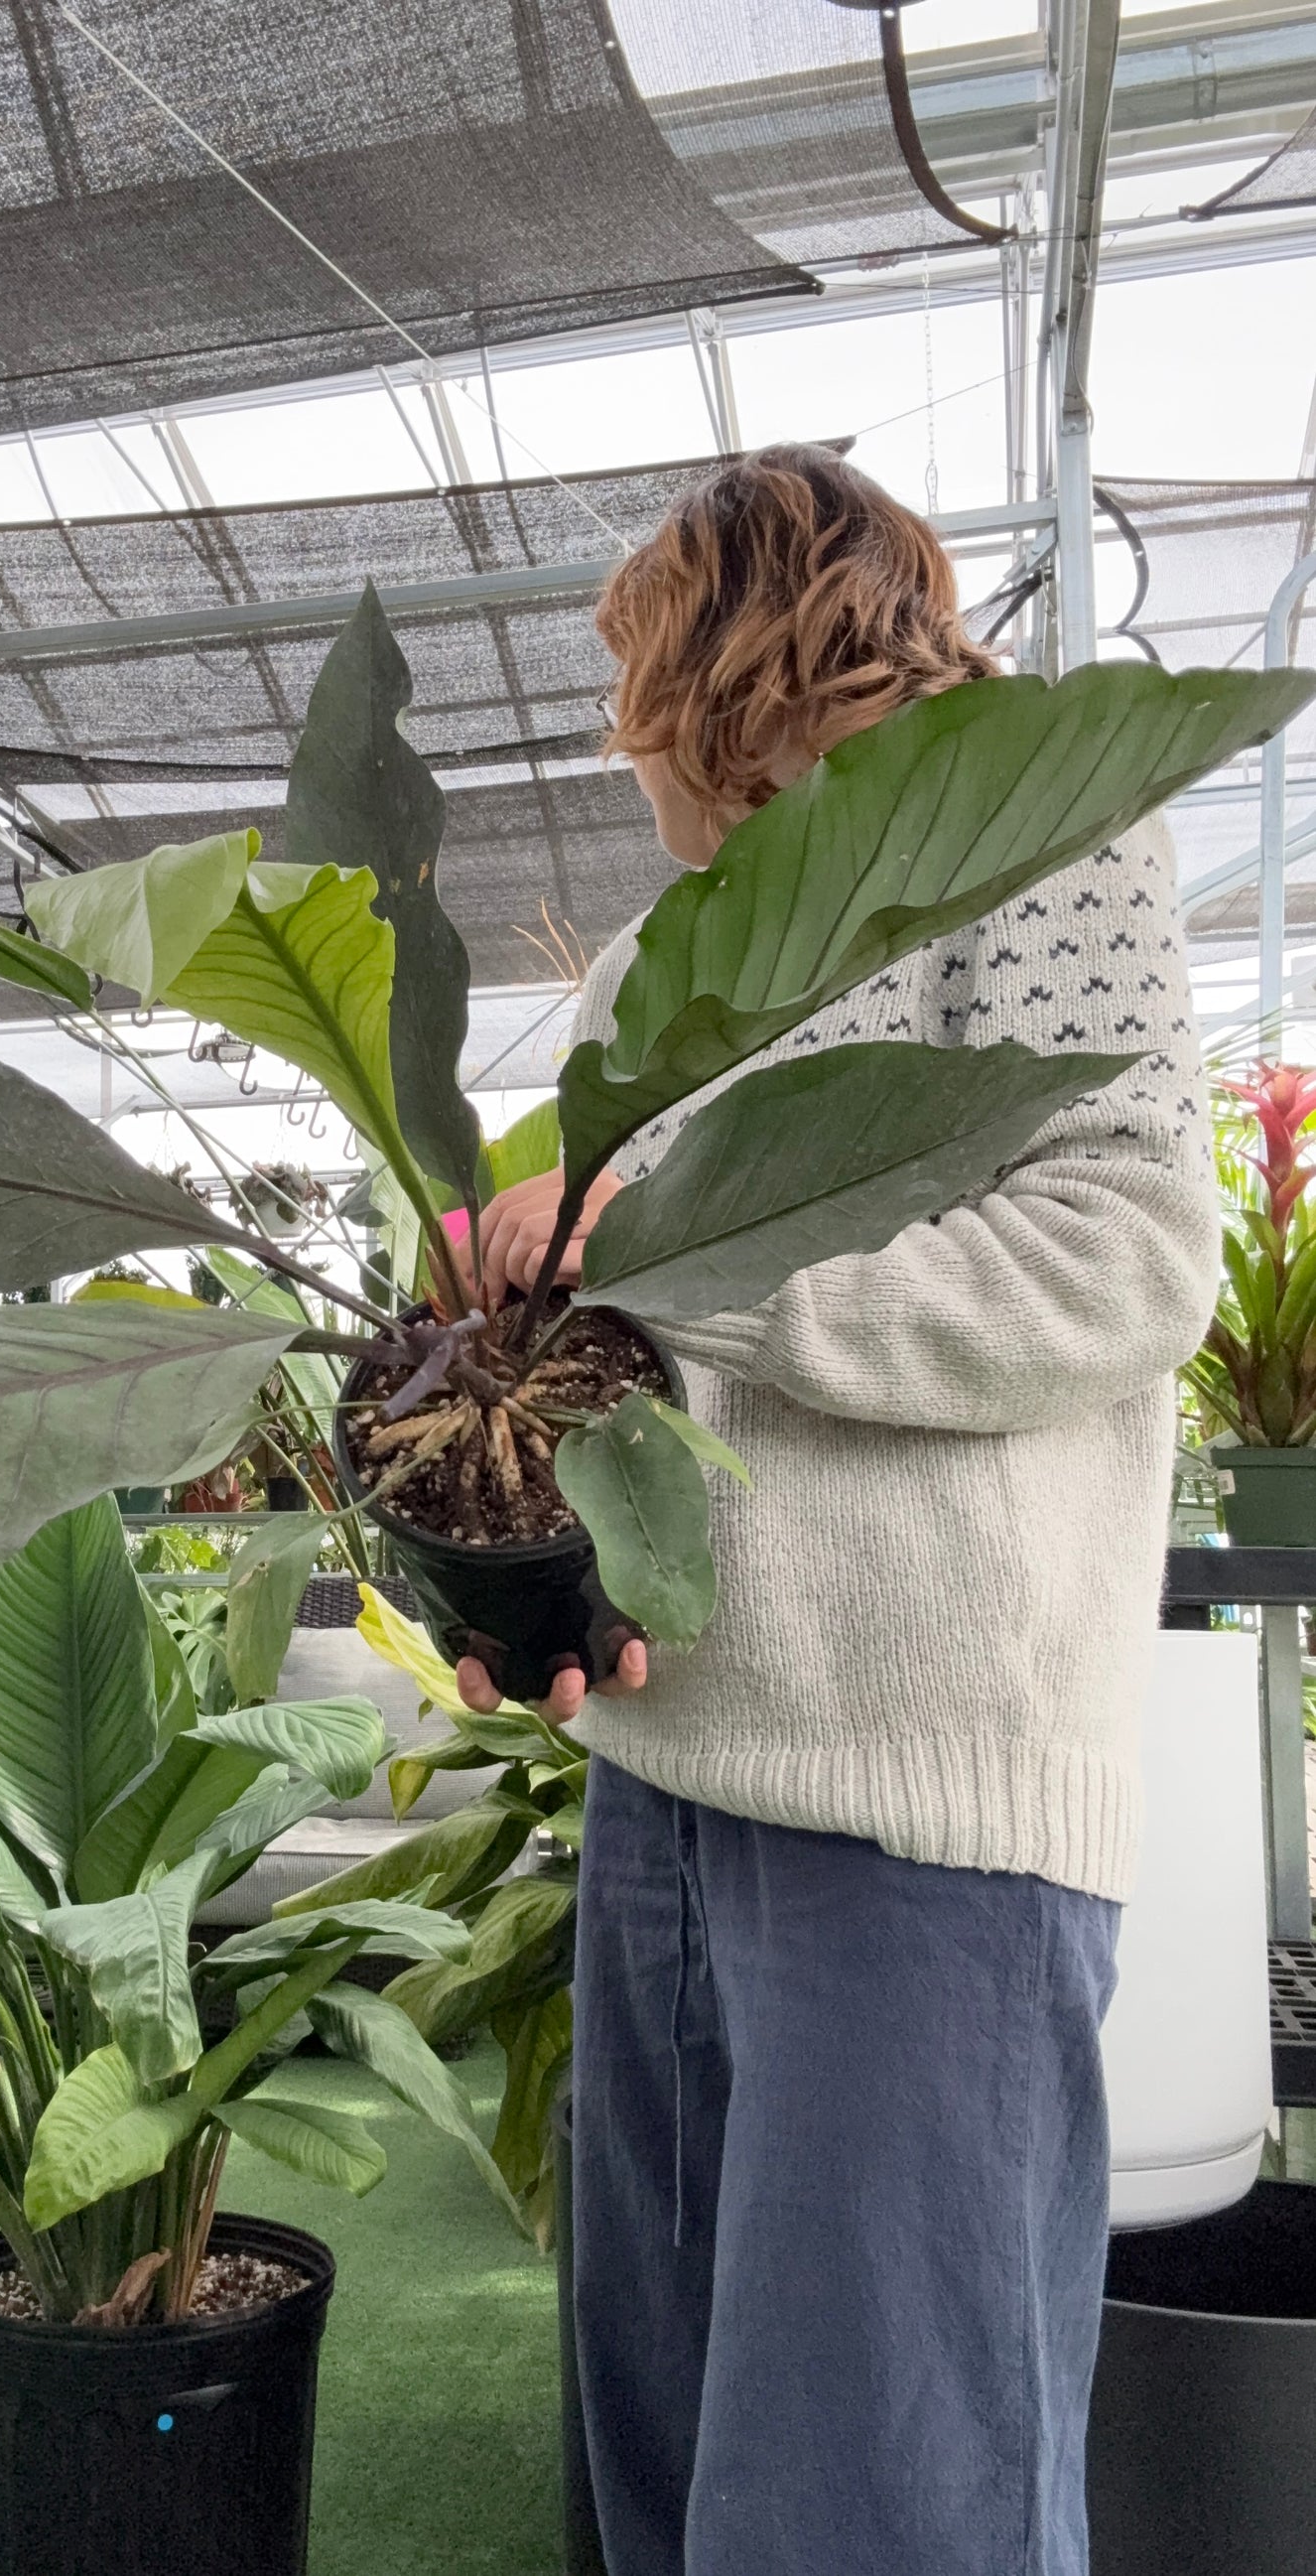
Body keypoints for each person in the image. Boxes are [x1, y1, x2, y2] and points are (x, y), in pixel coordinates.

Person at [461, 448, 1220, 2575]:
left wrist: (698, 1272)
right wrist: (516, 1532)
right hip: (670, 1777)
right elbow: (634, 1361)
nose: (635, 763)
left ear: (713, 661)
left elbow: (1126, 1252)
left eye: (640, 690)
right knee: (672, 2458)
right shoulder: (654, 970)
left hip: (921, 1802)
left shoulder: (1031, 833)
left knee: (885, 2502)